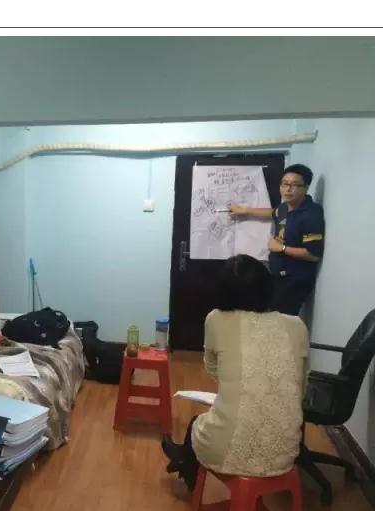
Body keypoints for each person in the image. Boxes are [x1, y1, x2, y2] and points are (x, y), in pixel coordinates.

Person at [162, 254, 309, 490]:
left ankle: (186, 465)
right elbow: (301, 385)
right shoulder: (297, 326)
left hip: (228, 451)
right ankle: (184, 460)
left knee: (198, 423)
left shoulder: (216, 319)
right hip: (285, 454)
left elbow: (213, 370)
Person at [228, 164, 325, 315]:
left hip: (294, 281)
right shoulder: (286, 207)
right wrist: (245, 210)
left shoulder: (311, 215)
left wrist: (282, 248)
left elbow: (313, 255)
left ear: (306, 187)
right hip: (277, 277)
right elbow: (273, 212)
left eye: (294, 185)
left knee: (280, 322)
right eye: (284, 184)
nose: (288, 189)